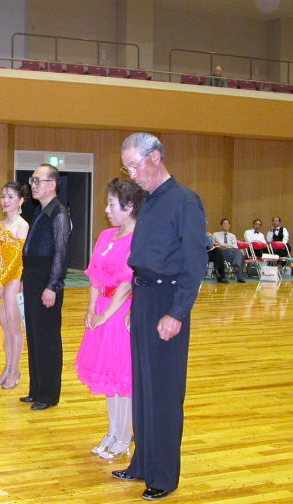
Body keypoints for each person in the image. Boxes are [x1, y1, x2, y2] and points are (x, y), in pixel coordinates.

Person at [111, 133, 207, 501]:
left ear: (156, 157)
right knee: (143, 388)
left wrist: (176, 312)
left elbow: (195, 263)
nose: (132, 174)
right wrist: (136, 303)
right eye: (128, 168)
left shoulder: (185, 200)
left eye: (135, 165)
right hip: (145, 298)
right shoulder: (148, 202)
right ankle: (143, 462)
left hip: (168, 301)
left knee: (164, 392)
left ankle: (164, 475)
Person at [75, 178, 145, 460]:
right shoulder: (106, 236)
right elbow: (95, 275)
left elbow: (127, 283)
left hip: (120, 313)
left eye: (112, 204)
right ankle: (113, 430)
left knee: (122, 378)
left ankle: (124, 436)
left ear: (129, 207)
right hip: (102, 310)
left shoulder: (139, 238)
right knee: (107, 376)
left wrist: (105, 315)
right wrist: (92, 309)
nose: (107, 210)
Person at [19, 164, 71, 411]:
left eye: (38, 181)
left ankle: (48, 394)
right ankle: (36, 389)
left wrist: (53, 286)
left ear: (53, 184)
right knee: (34, 334)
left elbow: (61, 253)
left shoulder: (59, 213)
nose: (33, 185)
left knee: (47, 337)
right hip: (33, 278)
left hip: (46, 280)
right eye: (32, 180)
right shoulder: (41, 210)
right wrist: (24, 278)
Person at [0, 182, 29, 390]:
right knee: (4, 325)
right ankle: (7, 367)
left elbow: (17, 260)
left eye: (11, 196)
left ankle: (15, 370)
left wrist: (3, 282)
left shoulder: (22, 226)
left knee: (14, 327)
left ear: (21, 201)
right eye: (3, 196)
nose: (5, 200)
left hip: (13, 280)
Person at [211, 218, 246, 283]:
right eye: (224, 224)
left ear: (229, 225)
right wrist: (219, 245)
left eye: (227, 223)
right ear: (221, 225)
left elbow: (235, 247)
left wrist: (227, 247)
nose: (226, 225)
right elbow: (212, 245)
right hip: (220, 252)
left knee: (239, 252)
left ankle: (236, 265)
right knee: (240, 255)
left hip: (230, 252)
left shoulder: (232, 236)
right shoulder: (215, 234)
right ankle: (239, 275)